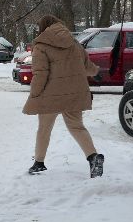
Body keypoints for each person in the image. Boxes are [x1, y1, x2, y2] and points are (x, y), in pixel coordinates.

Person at [23, 14, 105, 177]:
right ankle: (93, 157)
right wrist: (96, 72)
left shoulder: (41, 46)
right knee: (76, 126)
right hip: (74, 93)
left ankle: (39, 163)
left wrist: (35, 93)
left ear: (42, 28)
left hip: (50, 95)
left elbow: (40, 74)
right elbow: (87, 66)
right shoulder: (74, 43)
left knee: (44, 128)